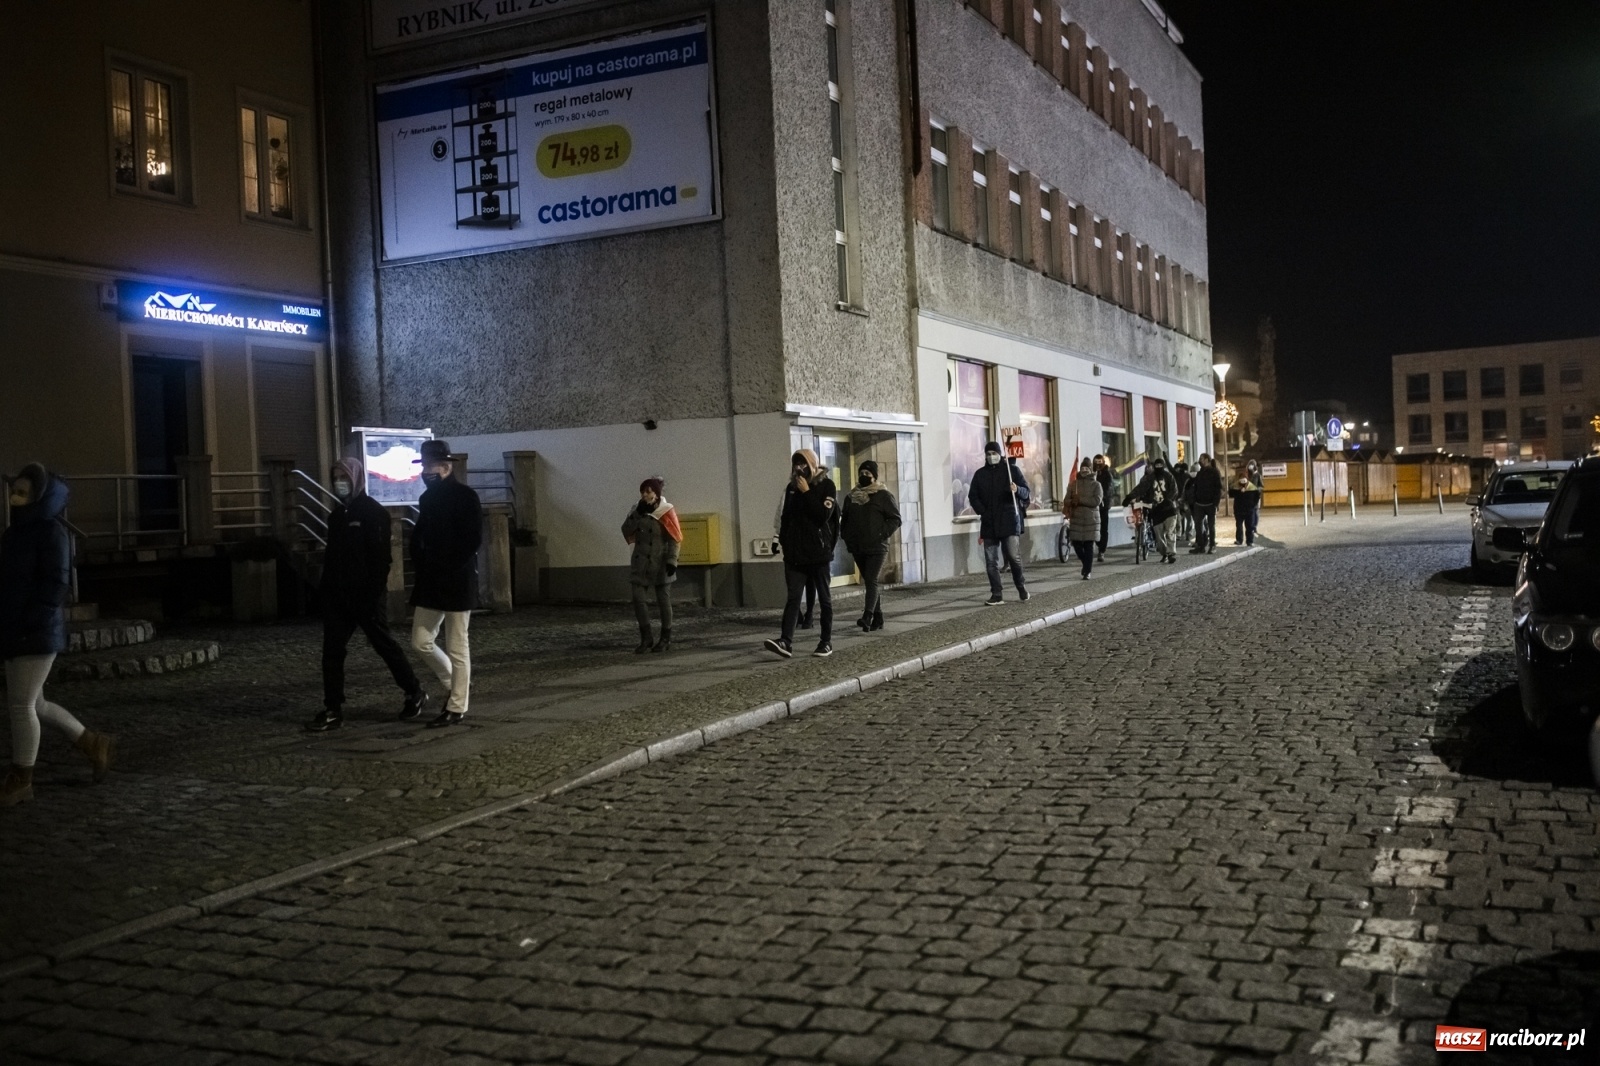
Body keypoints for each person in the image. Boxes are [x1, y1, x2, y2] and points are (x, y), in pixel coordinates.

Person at [1, 464, 112, 806]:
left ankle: (22, 779)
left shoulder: (51, 533)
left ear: (40, 499)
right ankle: (92, 742)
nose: (14, 497)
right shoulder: (13, 534)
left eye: (22, 492)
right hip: (18, 630)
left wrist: (27, 624)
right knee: (35, 703)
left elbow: (55, 585)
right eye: (13, 491)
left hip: (34, 632)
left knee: (20, 705)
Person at [306, 459, 427, 732]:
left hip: (365, 597)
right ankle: (333, 708)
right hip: (338, 597)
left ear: (356, 479)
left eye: (344, 478)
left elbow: (381, 559)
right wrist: (325, 594)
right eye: (336, 477)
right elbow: (332, 558)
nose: (340, 483)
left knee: (384, 645)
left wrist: (372, 595)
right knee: (332, 653)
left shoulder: (374, 513)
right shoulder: (336, 517)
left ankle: (414, 691)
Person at [409, 440, 482, 728]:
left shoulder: (465, 496)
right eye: (424, 466)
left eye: (430, 466)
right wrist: (420, 559)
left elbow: (472, 540)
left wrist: (447, 565)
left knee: (457, 645)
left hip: (456, 580)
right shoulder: (427, 499)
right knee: (420, 641)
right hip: (432, 580)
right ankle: (456, 683)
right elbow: (420, 536)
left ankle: (457, 705)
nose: (425, 471)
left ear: (446, 467)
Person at [765, 449, 838, 659]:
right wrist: (780, 540)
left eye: (803, 464)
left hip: (818, 554)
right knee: (793, 599)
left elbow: (822, 516)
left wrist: (807, 492)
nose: (799, 469)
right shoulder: (790, 489)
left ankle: (825, 642)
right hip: (795, 556)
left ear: (813, 465)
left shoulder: (827, 486)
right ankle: (785, 641)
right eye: (796, 464)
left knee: (824, 599)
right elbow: (785, 517)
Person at [621, 477, 682, 653]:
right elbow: (626, 530)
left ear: (656, 493)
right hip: (640, 563)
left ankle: (665, 638)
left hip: (660, 561)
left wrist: (672, 560)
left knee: (663, 600)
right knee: (638, 599)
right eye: (643, 491)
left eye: (649, 491)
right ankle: (646, 637)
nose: (645, 495)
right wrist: (636, 513)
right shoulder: (637, 510)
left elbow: (675, 538)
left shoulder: (666, 511)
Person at [840, 460, 901, 632]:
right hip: (858, 546)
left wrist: (881, 533)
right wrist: (846, 535)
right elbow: (845, 518)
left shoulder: (883, 495)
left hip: (877, 546)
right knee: (868, 580)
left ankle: (867, 616)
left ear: (874, 477)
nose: (864, 476)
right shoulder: (851, 496)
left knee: (872, 579)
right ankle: (878, 617)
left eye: (867, 474)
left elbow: (895, 519)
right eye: (861, 473)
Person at [969, 441, 1031, 605]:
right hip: (989, 523)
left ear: (1000, 454)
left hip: (1009, 521)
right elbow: (973, 496)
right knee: (991, 561)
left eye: (994, 453)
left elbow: (1026, 493)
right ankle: (997, 593)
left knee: (1013, 556)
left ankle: (1021, 586)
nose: (991, 457)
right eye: (988, 454)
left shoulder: (1012, 471)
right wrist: (982, 510)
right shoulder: (980, 474)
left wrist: (1016, 489)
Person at [1123, 456, 1179, 563]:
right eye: (1156, 466)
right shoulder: (1150, 478)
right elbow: (1141, 488)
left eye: (1160, 466)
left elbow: (1174, 490)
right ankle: (1164, 553)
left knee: (1170, 532)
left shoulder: (1169, 476)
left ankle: (1171, 553)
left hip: (1169, 509)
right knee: (1159, 535)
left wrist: (1169, 500)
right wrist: (1130, 497)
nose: (1158, 467)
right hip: (1156, 510)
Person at [1064, 460, 1103, 579]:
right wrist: (1072, 501)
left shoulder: (1096, 485)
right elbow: (1066, 500)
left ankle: (1087, 571)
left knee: (1088, 545)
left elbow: (1096, 501)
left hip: (1091, 519)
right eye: (1083, 468)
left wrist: (1080, 500)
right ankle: (1086, 564)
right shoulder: (1073, 485)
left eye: (1087, 468)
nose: (1084, 470)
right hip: (1077, 519)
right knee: (1076, 545)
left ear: (1091, 470)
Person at [1189, 452, 1223, 554]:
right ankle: (1201, 546)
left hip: (1210, 504)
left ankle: (1212, 545)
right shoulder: (1200, 473)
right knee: (1198, 526)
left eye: (1202, 459)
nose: (1200, 461)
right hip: (1199, 504)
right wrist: (1194, 500)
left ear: (1207, 460)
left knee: (1211, 525)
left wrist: (1216, 503)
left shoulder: (1214, 472)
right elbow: (1196, 487)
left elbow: (1218, 489)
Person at [1235, 459, 1265, 544]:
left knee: (1255, 513)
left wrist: (1256, 490)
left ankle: (1254, 528)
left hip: (1254, 498)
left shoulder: (1257, 475)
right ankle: (1242, 538)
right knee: (1247, 518)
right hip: (1246, 500)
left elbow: (1261, 486)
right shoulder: (1247, 476)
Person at [1230, 475, 1262, 547]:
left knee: (1249, 526)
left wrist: (1253, 505)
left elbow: (1257, 496)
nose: (1243, 486)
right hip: (1239, 510)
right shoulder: (1236, 487)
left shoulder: (1252, 488)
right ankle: (1240, 540)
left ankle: (1249, 541)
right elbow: (1230, 493)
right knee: (1239, 526)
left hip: (1248, 510)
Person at [1092, 454, 1114, 561]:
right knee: (1094, 527)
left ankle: (1101, 551)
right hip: (1093, 505)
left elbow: (1108, 488)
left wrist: (1101, 498)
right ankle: (1098, 544)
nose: (1098, 465)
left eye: (1099, 463)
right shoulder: (1092, 474)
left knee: (1103, 528)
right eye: (1096, 463)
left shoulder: (1107, 474)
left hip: (1103, 505)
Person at [1171, 460, 1193, 546]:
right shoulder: (1187, 477)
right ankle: (1186, 534)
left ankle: (1181, 534)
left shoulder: (1175, 476)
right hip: (1183, 501)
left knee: (1179, 517)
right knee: (1186, 518)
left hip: (1178, 500)